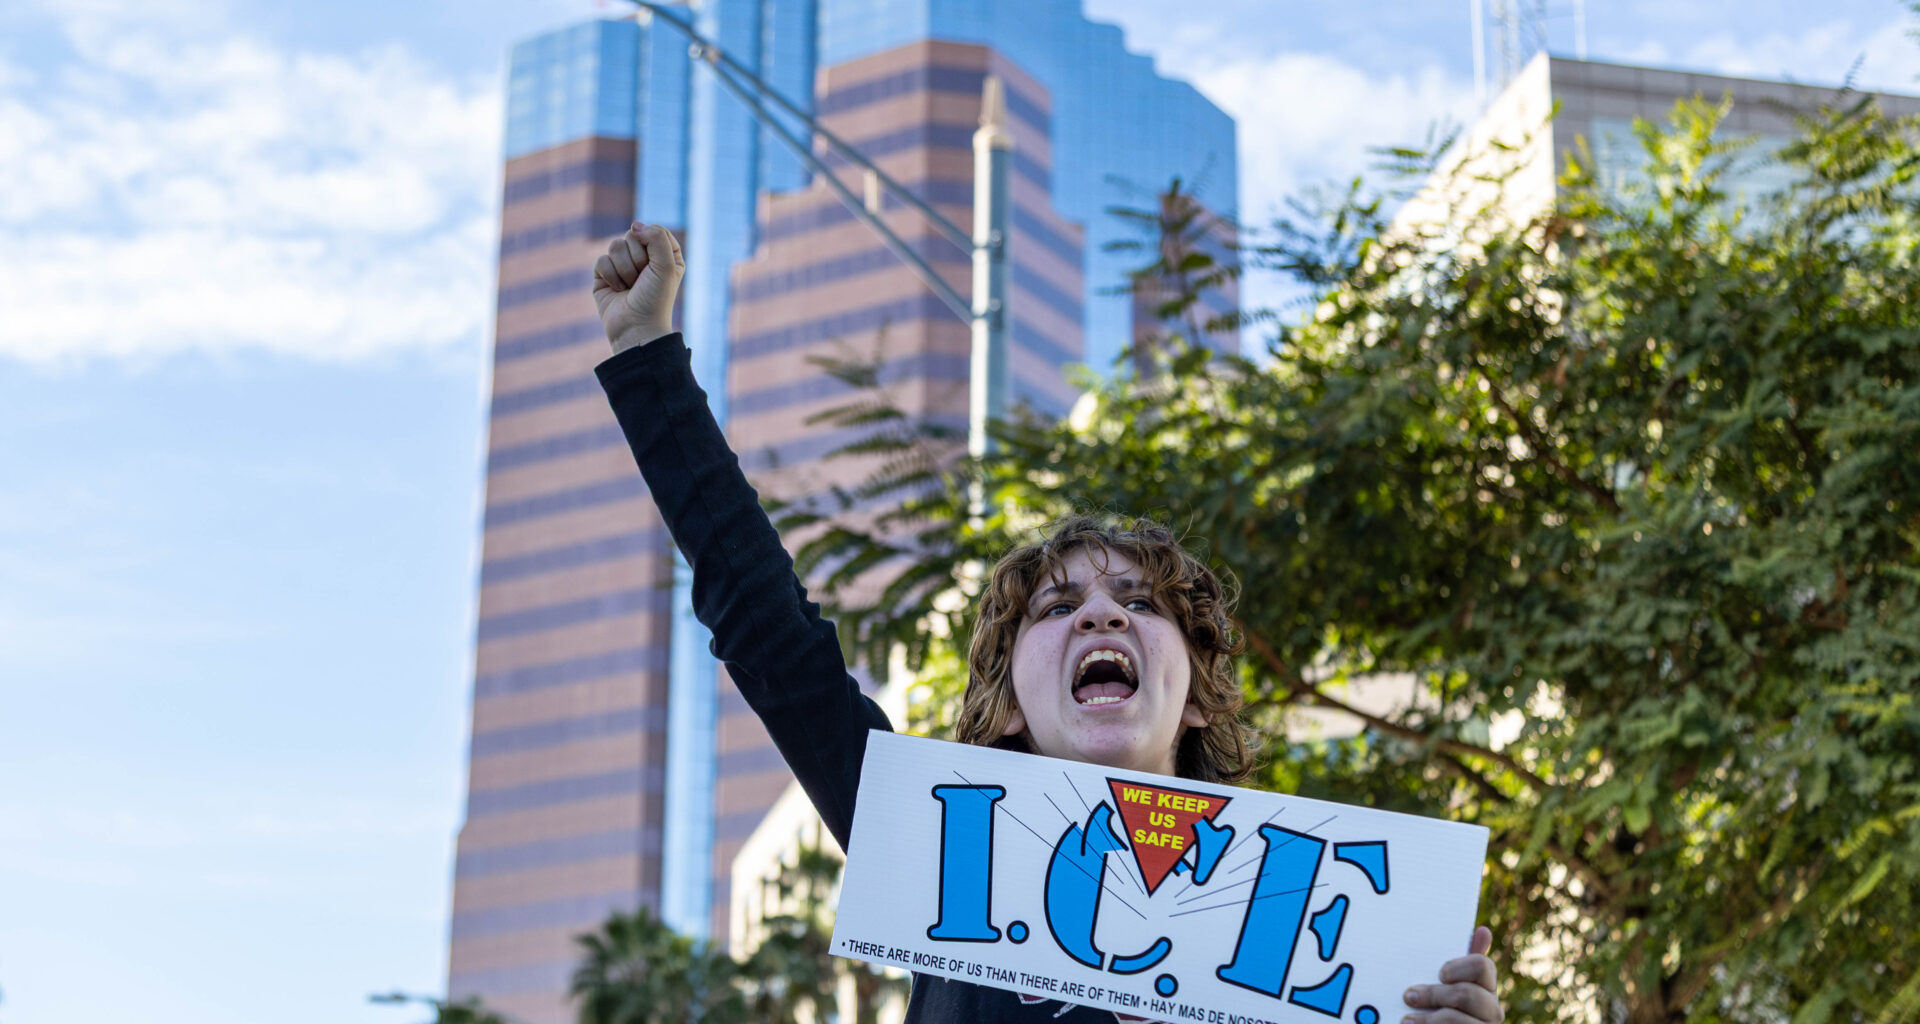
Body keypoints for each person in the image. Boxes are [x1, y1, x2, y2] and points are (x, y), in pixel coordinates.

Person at [589, 223, 1506, 1024]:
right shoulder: (937, 844)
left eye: (1139, 605)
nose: (1102, 610)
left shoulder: (1323, 927)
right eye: (1058, 608)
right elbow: (766, 627)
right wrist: (646, 356)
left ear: (1194, 701)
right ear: (1009, 705)